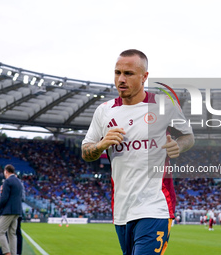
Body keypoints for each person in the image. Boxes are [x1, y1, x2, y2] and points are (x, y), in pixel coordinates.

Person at [82, 49, 195, 254]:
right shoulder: (104, 111)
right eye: (117, 73)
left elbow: (188, 136)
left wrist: (178, 145)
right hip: (122, 210)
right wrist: (101, 145)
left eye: (128, 73)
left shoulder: (163, 106)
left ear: (144, 77)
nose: (121, 79)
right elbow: (86, 150)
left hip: (155, 205)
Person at [0, 164, 23, 255]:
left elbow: (4, 198)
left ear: (6, 171)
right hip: (17, 211)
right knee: (12, 234)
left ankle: (7, 253)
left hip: (8, 211)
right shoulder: (18, 181)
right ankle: (14, 253)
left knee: (0, 232)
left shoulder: (7, 181)